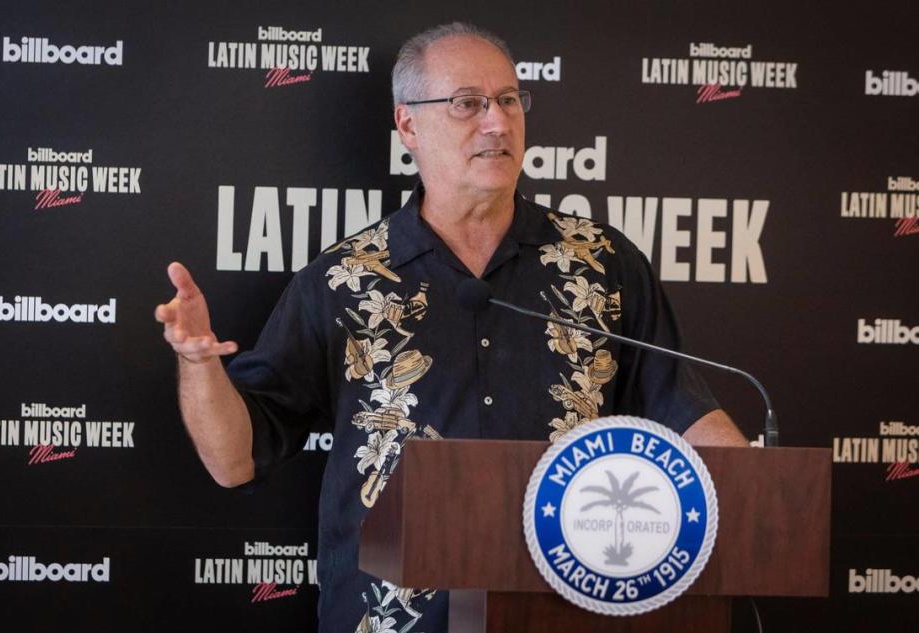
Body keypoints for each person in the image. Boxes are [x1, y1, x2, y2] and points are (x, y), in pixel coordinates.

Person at [155, 22, 748, 633]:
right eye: (467, 103)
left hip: (569, 611)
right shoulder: (343, 281)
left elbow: (680, 410)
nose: (497, 122)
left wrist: (757, 493)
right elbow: (234, 459)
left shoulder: (603, 263)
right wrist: (198, 364)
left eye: (509, 100)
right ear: (408, 124)